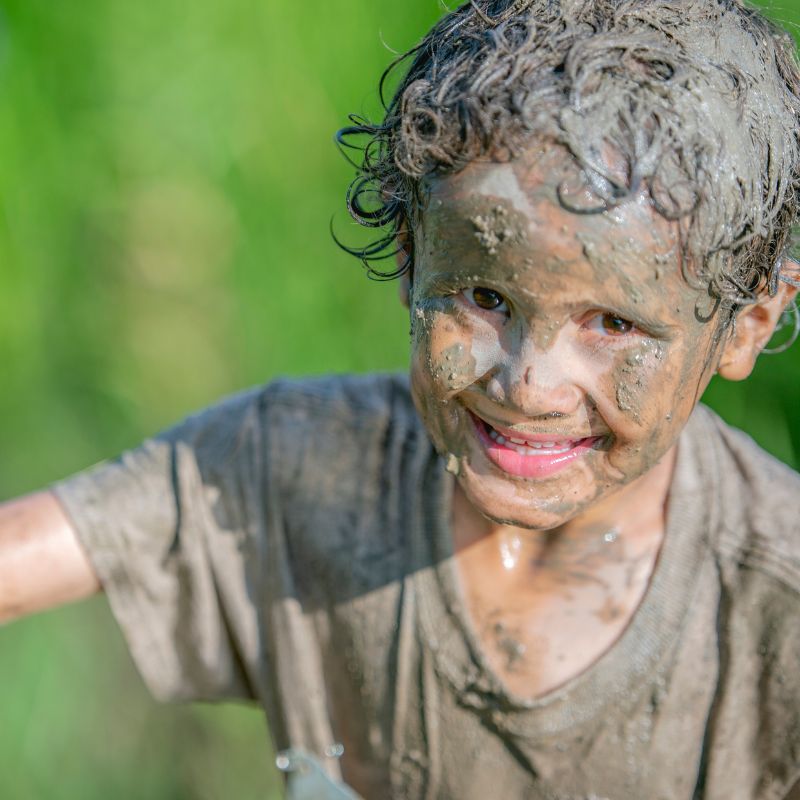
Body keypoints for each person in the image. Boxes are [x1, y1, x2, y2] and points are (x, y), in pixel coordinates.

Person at [2, 0, 800, 797]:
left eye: (615, 323)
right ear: (413, 256)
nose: (528, 383)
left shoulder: (776, 610)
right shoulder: (296, 474)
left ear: (748, 325)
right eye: (485, 298)